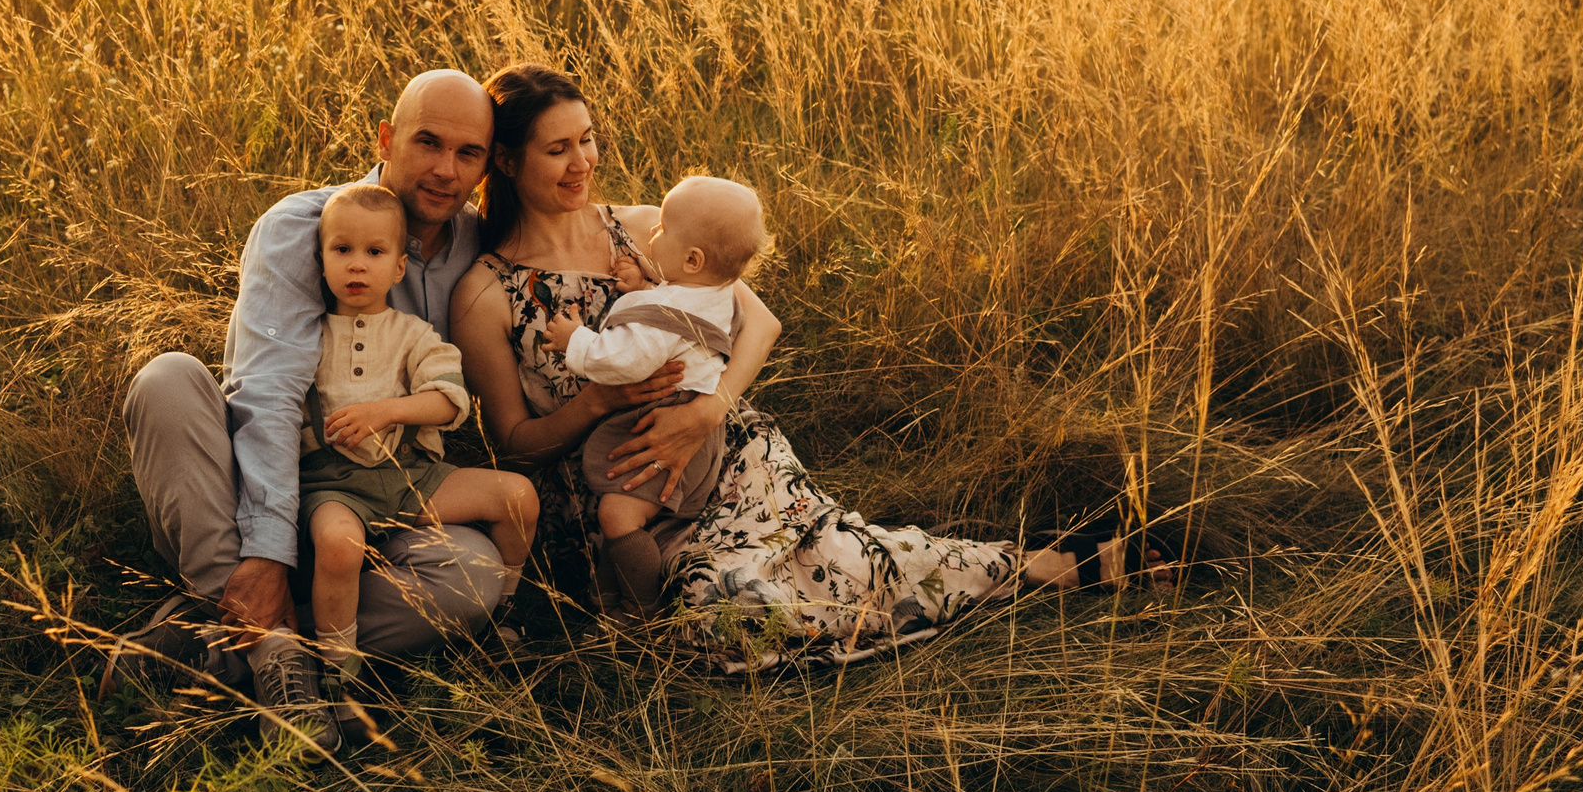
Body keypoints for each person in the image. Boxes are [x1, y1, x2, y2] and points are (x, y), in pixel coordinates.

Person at [452, 64, 1174, 671]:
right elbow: (512, 443)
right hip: (619, 506)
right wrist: (602, 404)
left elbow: (759, 321)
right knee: (726, 613)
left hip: (725, 454)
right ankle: (1003, 570)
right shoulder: (486, 292)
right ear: (508, 162)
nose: (583, 162)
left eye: (587, 140)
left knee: (838, 561)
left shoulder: (646, 228)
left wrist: (709, 408)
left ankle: (1041, 566)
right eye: (557, 150)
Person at [119, 71, 510, 743]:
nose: (446, 170)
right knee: (166, 380)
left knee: (475, 573)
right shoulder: (303, 225)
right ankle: (263, 627)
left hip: (377, 509)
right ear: (386, 138)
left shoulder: (482, 248)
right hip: (261, 489)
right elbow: (266, 394)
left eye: (468, 153)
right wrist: (270, 551)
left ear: (484, 165)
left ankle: (228, 641)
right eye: (427, 142)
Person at [300, 185, 538, 720]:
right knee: (338, 545)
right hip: (334, 485)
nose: (357, 265)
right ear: (321, 260)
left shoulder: (413, 333)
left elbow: (449, 399)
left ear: (400, 268)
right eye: (342, 250)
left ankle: (503, 616)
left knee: (518, 496)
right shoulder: (305, 336)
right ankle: (339, 678)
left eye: (375, 253)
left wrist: (387, 411)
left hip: (411, 478)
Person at [540, 174, 762, 613]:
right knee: (621, 514)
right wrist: (642, 290)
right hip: (696, 425)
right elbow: (678, 310)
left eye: (661, 231)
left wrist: (575, 341)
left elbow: (627, 360)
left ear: (693, 259)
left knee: (618, 517)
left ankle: (641, 607)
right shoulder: (711, 293)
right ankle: (609, 597)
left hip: (669, 421)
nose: (652, 235)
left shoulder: (669, 314)